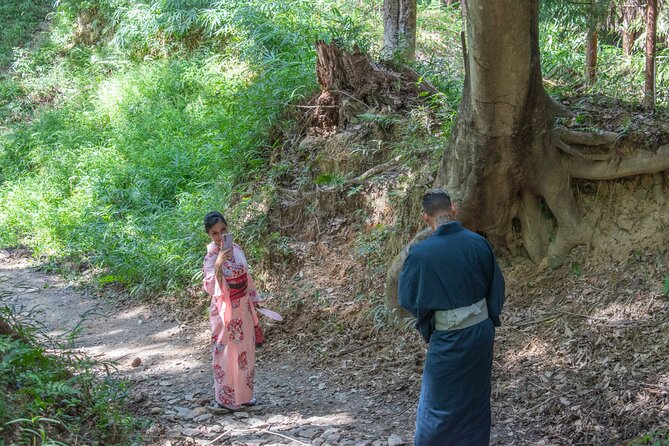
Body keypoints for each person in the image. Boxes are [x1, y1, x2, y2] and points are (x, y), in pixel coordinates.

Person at [398, 189, 505, 446]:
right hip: (481, 331)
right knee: (475, 398)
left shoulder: (421, 253)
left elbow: (407, 299)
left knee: (437, 405)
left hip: (448, 335)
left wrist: (430, 320)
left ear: (426, 217)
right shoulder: (478, 243)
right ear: (453, 209)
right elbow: (497, 288)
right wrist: (488, 319)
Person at [202, 211, 261, 412]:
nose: (220, 236)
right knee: (225, 352)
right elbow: (211, 287)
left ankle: (244, 396)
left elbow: (246, 276)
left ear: (228, 228)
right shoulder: (211, 256)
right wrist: (218, 264)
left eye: (223, 230)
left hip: (243, 305)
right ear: (209, 235)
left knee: (245, 352)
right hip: (224, 309)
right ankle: (225, 399)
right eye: (214, 233)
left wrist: (254, 300)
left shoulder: (236, 248)